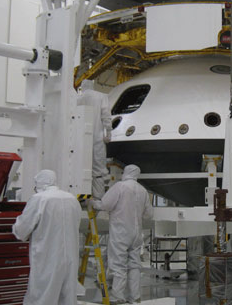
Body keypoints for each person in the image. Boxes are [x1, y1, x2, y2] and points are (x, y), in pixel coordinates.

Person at [12, 169, 82, 305]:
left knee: (42, 297)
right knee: (67, 297)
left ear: (39, 183)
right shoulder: (72, 199)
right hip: (70, 259)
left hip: (47, 259)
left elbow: (22, 230)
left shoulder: (39, 199)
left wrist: (15, 226)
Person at [91, 164, 154, 304]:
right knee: (135, 264)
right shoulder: (142, 190)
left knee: (118, 264)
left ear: (125, 172)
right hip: (136, 233)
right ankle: (135, 296)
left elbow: (105, 205)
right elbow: (149, 214)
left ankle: (118, 296)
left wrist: (93, 203)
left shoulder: (120, 186)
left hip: (121, 232)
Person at [77, 79, 112, 199]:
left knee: (82, 167)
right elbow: (106, 115)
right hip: (97, 136)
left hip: (80, 139)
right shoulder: (101, 96)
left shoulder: (78, 98)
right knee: (98, 169)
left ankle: (81, 195)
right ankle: (98, 199)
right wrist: (108, 133)